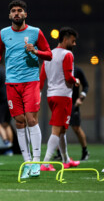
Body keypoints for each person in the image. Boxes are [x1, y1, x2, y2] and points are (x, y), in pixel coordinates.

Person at [0, 0, 52, 179]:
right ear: (9, 15)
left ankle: (36, 163)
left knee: (31, 119)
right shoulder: (3, 33)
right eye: (13, 11)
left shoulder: (36, 32)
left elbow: (49, 54)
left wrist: (36, 52)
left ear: (25, 14)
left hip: (30, 81)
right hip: (11, 83)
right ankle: (27, 162)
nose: (16, 13)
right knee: (19, 122)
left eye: (19, 11)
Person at [39, 27, 81, 171]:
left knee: (62, 129)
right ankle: (45, 163)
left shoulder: (48, 54)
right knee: (57, 130)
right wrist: (76, 80)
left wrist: (38, 93)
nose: (74, 44)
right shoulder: (67, 54)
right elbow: (68, 77)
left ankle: (66, 159)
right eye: (73, 41)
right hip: (63, 95)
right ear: (65, 38)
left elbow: (42, 77)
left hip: (51, 95)